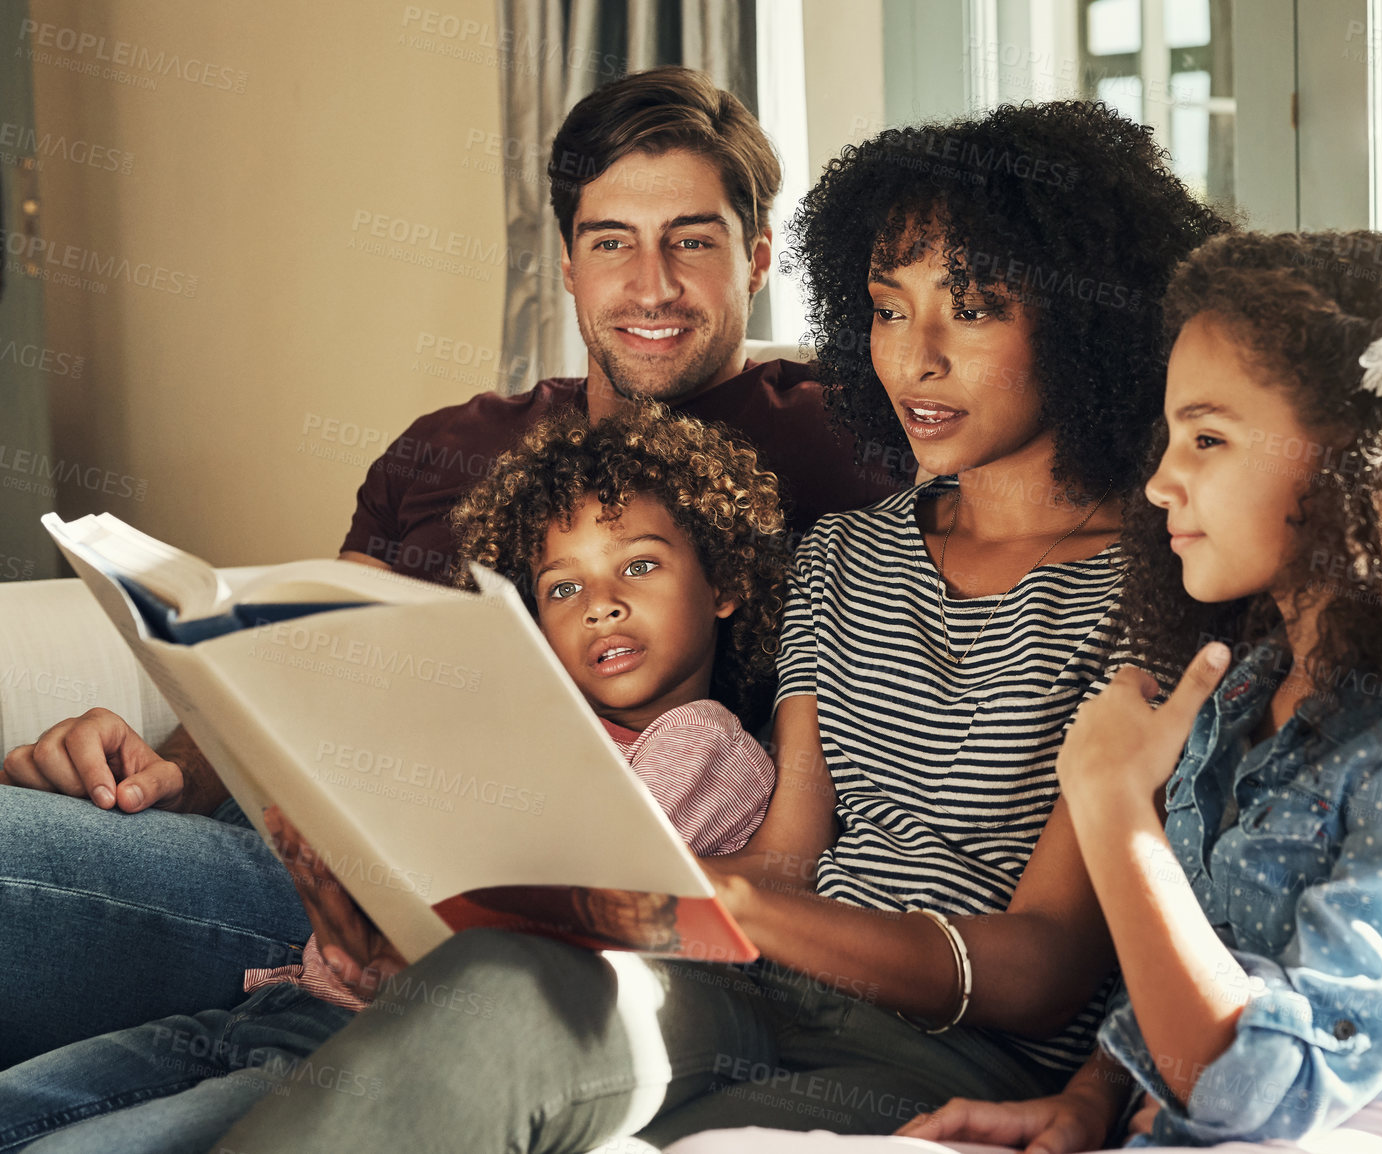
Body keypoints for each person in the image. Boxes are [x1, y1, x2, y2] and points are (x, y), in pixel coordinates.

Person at [210, 100, 1231, 1153]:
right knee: (493, 988)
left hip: (937, 1054)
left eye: (968, 310)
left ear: (1077, 322)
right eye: (886, 308)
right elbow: (789, 852)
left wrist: (716, 893)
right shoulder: (844, 551)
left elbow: (1041, 967)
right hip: (742, 992)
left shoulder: (1164, 585)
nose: (913, 359)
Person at [676, 229, 1382, 1154]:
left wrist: (1114, 810)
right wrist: (1090, 1096)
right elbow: (1197, 962)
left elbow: (1261, 1084)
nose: (1157, 483)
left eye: (1205, 440)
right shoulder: (1242, 698)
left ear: (1362, 463)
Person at [0, 65, 909, 1069]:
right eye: (611, 242)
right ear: (566, 262)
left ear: (759, 258)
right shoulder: (454, 446)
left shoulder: (853, 438)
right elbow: (306, 671)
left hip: (524, 928)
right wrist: (157, 768)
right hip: (293, 868)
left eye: (691, 241)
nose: (651, 285)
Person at [0, 403, 790, 1154]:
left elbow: (593, 903)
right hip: (282, 997)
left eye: (639, 565)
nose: (602, 606)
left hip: (375, 1041)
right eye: (563, 587)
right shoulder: (521, 727)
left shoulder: (704, 738)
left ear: (723, 583)